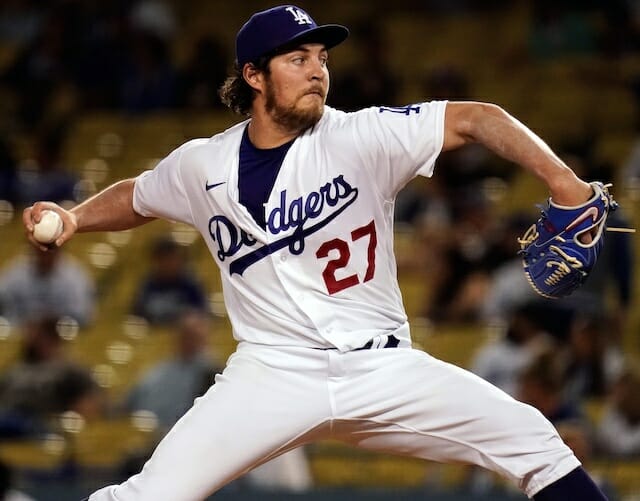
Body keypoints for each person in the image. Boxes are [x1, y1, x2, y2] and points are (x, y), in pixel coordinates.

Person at [23, 5, 609, 500]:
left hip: (382, 369)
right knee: (148, 496)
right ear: (254, 75)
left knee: (535, 442)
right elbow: (139, 195)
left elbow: (479, 118)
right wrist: (75, 217)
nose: (317, 71)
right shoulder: (203, 163)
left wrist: (564, 183)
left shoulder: (362, 136)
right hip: (272, 373)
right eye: (298, 59)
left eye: (322, 58)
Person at [0, 245, 95, 328]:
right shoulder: (15, 274)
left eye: (50, 249)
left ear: (59, 250)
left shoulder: (75, 276)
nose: (45, 254)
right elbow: (3, 307)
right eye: (40, 249)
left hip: (60, 336)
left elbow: (83, 318)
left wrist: (50, 325)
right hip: (20, 334)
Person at [130, 235, 209, 325]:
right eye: (165, 259)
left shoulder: (191, 284)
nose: (170, 264)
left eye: (173, 259)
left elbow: (203, 314)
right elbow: (136, 316)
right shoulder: (148, 284)